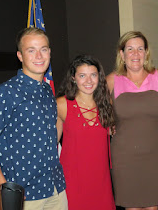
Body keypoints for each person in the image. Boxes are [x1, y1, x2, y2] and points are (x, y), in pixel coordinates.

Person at [0, 27, 68, 210]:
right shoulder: (4, 93)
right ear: (20, 56)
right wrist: (6, 190)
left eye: (43, 49)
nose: (39, 55)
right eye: (31, 50)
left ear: (50, 53)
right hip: (24, 195)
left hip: (56, 189)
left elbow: (51, 131)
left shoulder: (46, 90)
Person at [106, 31, 158, 210]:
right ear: (122, 54)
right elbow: (97, 110)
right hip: (124, 155)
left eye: (140, 49)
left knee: (153, 204)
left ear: (146, 53)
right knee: (131, 205)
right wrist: (109, 126)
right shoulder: (111, 81)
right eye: (130, 49)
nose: (135, 54)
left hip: (154, 152)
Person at [56, 55, 116, 210]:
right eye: (82, 75)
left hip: (100, 181)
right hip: (73, 180)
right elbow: (51, 143)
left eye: (93, 75)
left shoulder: (106, 103)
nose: (88, 81)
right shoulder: (62, 105)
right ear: (73, 78)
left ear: (99, 77)